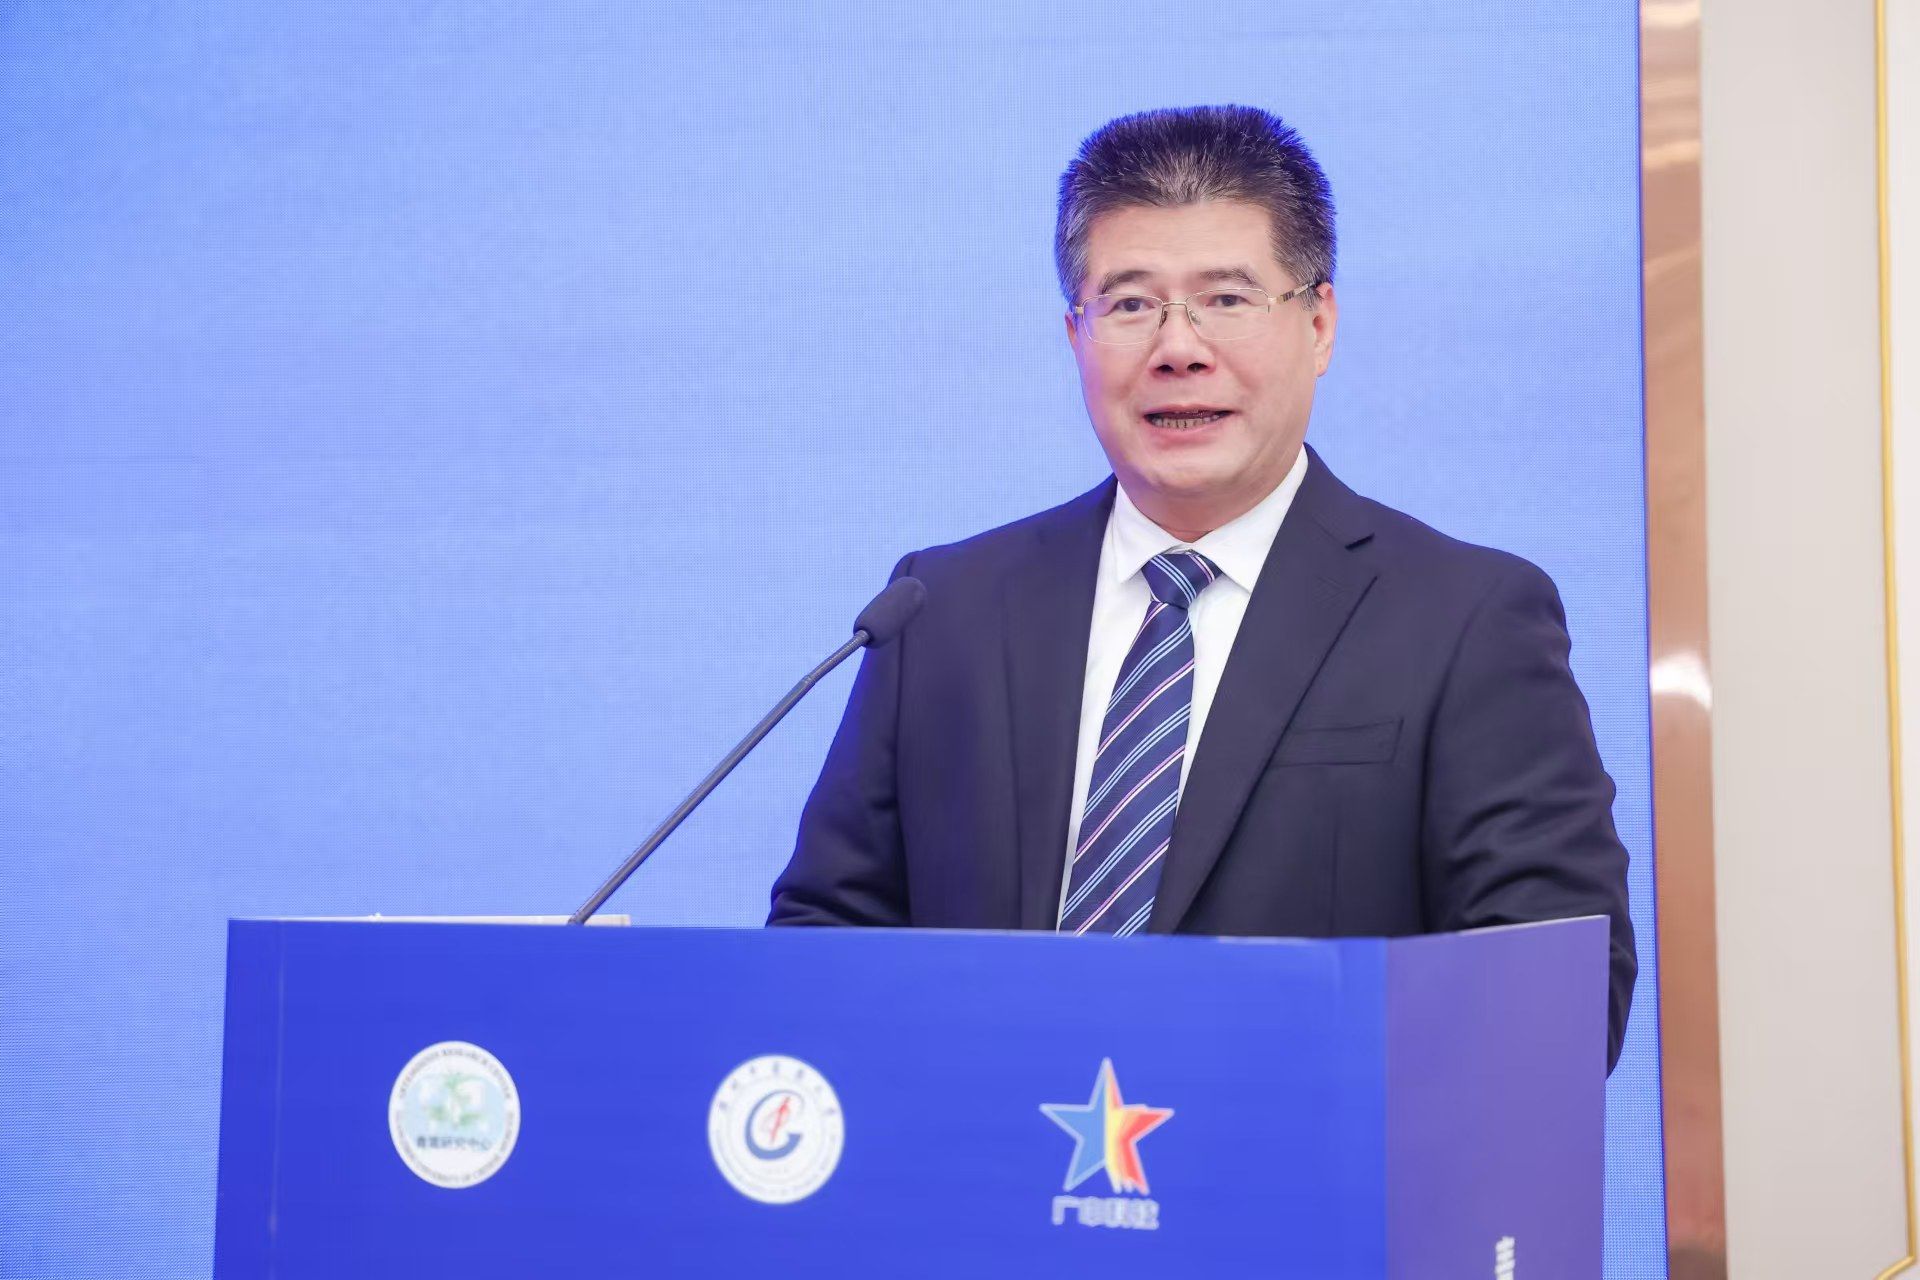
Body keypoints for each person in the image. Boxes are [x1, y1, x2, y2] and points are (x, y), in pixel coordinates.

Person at [767, 105, 1636, 1070]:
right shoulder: (944, 610)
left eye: (1226, 299)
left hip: (1304, 1162)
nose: (1178, 348)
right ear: (1075, 335)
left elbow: (1554, 1004)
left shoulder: (1465, 620)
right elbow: (821, 951)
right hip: (986, 1158)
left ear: (1319, 324)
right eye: (1130, 305)